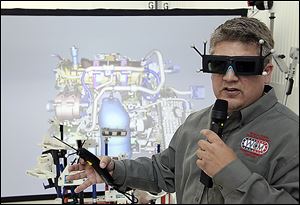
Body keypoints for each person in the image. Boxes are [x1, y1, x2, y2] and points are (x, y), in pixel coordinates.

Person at [66, 17, 299, 204]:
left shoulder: (291, 136)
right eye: (218, 65)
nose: (229, 77)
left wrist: (231, 174)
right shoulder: (196, 122)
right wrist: (114, 171)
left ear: (266, 70)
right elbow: (163, 171)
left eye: (244, 66)